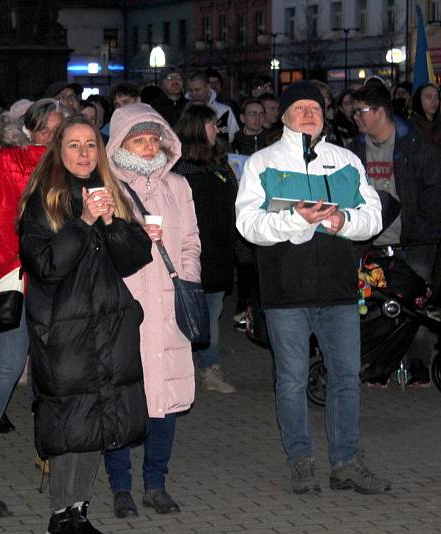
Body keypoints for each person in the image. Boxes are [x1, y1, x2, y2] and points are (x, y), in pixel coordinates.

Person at [236, 81, 388, 496]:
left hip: (338, 289)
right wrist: (296, 220)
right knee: (291, 380)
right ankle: (300, 462)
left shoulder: (345, 161)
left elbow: (372, 215)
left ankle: (346, 463)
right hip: (287, 292)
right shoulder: (262, 164)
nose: (308, 114)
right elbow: (248, 226)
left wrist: (343, 223)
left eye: (315, 109)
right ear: (283, 116)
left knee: (345, 379)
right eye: (299, 108)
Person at [18, 115, 152, 534]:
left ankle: (80, 509)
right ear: (58, 150)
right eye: (73, 145)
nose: (83, 154)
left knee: (98, 418)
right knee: (69, 420)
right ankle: (60, 514)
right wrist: (85, 223)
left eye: (90, 145)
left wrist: (113, 222)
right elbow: (45, 265)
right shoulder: (43, 199)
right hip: (62, 327)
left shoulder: (111, 193)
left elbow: (133, 258)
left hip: (108, 325)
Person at [102, 103, 200, 518]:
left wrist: (188, 282)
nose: (147, 148)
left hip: (168, 308)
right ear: (121, 143)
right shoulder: (105, 188)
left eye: (152, 139)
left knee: (166, 399)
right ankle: (121, 487)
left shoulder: (177, 186)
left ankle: (155, 483)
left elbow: (190, 241)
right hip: (125, 309)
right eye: (137, 140)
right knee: (121, 401)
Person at [0, 98, 68, 471]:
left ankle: (50, 445)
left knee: (55, 369)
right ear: (29, 128)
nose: (50, 134)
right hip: (20, 277)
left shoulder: (71, 164)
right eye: (44, 127)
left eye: (57, 128)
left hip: (61, 281)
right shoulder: (8, 161)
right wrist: (4, 260)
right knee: (8, 366)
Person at [350, 83, 441, 387]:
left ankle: (418, 366)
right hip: (371, 241)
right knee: (375, 305)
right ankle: (379, 365)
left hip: (413, 242)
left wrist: (422, 224)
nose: (355, 118)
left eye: (361, 112)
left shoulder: (414, 144)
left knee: (417, 304)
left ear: (380, 112)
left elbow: (433, 188)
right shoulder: (355, 150)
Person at [174, 104, 237, 394]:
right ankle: (181, 369)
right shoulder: (178, 167)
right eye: (212, 125)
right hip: (190, 251)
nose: (217, 130)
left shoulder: (220, 162)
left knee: (212, 311)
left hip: (219, 250)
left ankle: (210, 368)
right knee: (187, 313)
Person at [185, 71, 239, 144]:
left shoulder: (224, 111)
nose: (194, 94)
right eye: (191, 90)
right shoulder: (184, 111)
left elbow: (233, 136)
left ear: (208, 87)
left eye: (197, 90)